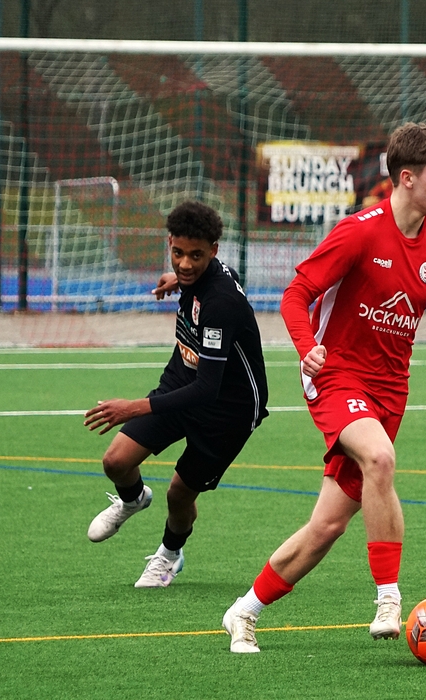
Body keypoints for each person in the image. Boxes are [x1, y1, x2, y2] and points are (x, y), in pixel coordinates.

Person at [222, 123, 426, 653]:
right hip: (334, 374)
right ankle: (388, 598)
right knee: (380, 458)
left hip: (391, 391)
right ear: (407, 178)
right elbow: (296, 293)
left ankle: (243, 610)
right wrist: (305, 347)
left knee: (328, 526)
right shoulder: (359, 232)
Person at [84, 200, 269, 588]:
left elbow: (207, 389)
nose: (185, 263)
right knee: (116, 462)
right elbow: (211, 275)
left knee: (179, 494)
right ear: (169, 242)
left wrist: (132, 407)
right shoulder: (198, 276)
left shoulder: (220, 303)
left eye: (195, 256)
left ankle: (169, 555)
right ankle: (133, 499)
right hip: (183, 380)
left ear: (213, 251)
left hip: (227, 411)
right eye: (178, 253)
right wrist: (179, 279)